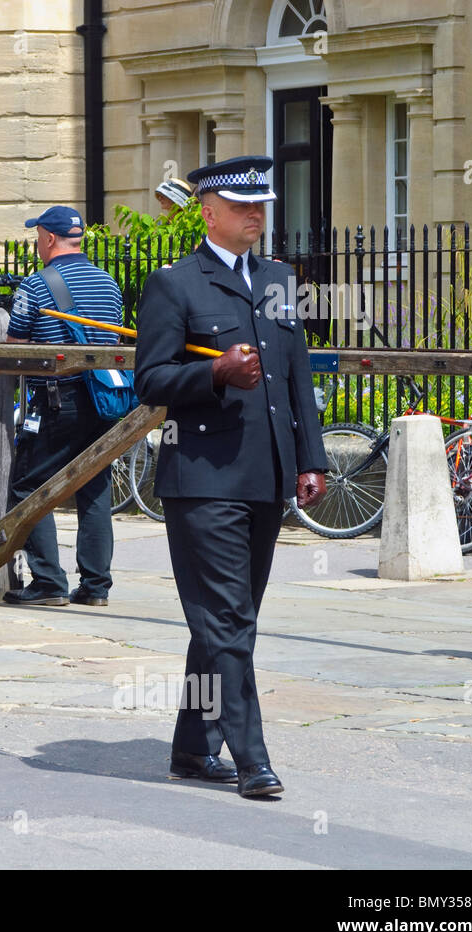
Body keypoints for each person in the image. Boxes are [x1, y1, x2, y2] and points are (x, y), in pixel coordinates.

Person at [134, 155, 327, 798]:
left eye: (262, 206)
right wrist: (213, 374)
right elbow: (151, 381)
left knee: (221, 622)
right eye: (244, 207)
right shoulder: (175, 284)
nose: (257, 216)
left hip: (264, 476)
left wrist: (310, 458)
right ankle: (252, 758)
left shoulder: (278, 277)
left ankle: (193, 747)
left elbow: (297, 374)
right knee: (229, 621)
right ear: (208, 212)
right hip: (203, 478)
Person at [3, 205, 123, 607]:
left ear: (49, 239)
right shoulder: (109, 283)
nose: (37, 244)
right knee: (93, 487)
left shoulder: (36, 286)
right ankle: (95, 587)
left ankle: (49, 581)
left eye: (37, 236)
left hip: (57, 401)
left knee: (27, 484)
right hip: (105, 400)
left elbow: (15, 347)